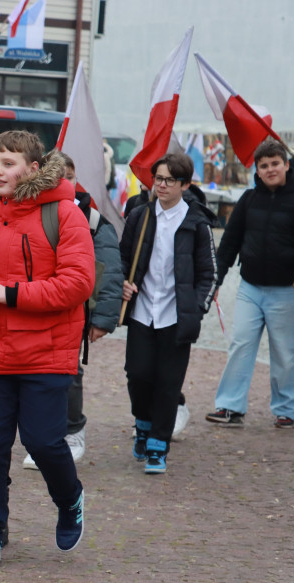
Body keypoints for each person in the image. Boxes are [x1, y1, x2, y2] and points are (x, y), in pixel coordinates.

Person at [0, 131, 93, 568]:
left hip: (45, 354)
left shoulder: (66, 215)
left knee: (43, 441)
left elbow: (77, 283)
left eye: (8, 163)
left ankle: (70, 498)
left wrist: (12, 294)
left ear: (33, 170)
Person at [23, 151, 124, 469]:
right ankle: (41, 438)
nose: (63, 181)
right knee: (33, 374)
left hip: (76, 309)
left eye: (69, 175)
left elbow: (108, 267)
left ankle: (72, 431)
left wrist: (103, 318)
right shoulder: (29, 210)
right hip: (37, 305)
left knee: (69, 374)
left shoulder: (92, 218)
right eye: (58, 175)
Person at [120, 153, 217, 474]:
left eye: (169, 181)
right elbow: (123, 259)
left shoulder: (197, 223)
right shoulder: (140, 216)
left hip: (177, 317)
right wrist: (123, 284)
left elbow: (209, 274)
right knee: (138, 374)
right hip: (142, 312)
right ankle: (143, 424)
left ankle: (158, 445)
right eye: (158, 179)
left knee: (168, 382)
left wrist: (196, 308)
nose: (161, 185)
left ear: (185, 185)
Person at [206, 139, 294, 429]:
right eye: (263, 166)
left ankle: (286, 409)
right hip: (250, 288)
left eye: (275, 164)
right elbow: (229, 243)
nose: (270, 170)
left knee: (284, 352)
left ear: (286, 164)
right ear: (257, 170)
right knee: (241, 344)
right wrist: (215, 280)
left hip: (286, 291)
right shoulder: (248, 200)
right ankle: (230, 407)